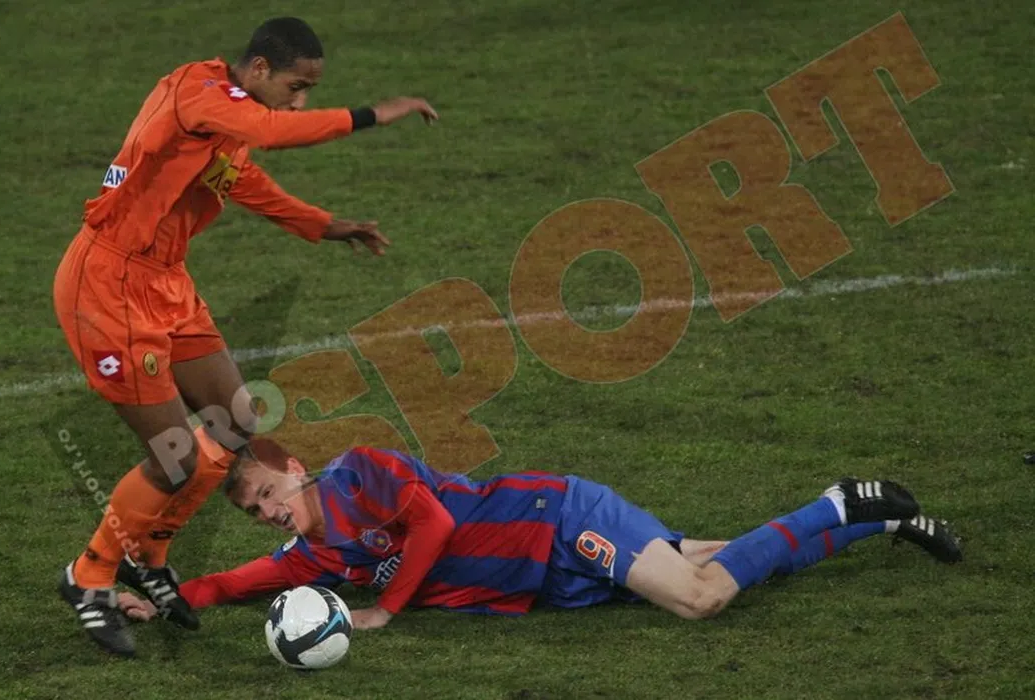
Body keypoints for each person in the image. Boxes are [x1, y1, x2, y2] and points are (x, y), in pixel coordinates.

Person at [54, 16, 439, 657]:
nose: (300, 102)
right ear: (259, 69)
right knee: (175, 456)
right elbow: (271, 131)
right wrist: (375, 114)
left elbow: (243, 181)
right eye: (296, 87)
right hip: (109, 287)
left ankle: (149, 553)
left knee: (235, 421)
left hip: (164, 281)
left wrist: (324, 225)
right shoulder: (199, 94)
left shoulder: (226, 124)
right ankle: (88, 575)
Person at [118, 439, 962, 631]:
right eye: (255, 511)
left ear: (293, 467)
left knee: (699, 598)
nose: (269, 511)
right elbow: (232, 583)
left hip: (557, 521)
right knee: (723, 558)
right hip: (547, 582)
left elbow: (435, 522)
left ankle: (838, 501)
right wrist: (160, 599)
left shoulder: (358, 474)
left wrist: (385, 610)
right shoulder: (315, 554)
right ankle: (880, 521)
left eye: (269, 493)